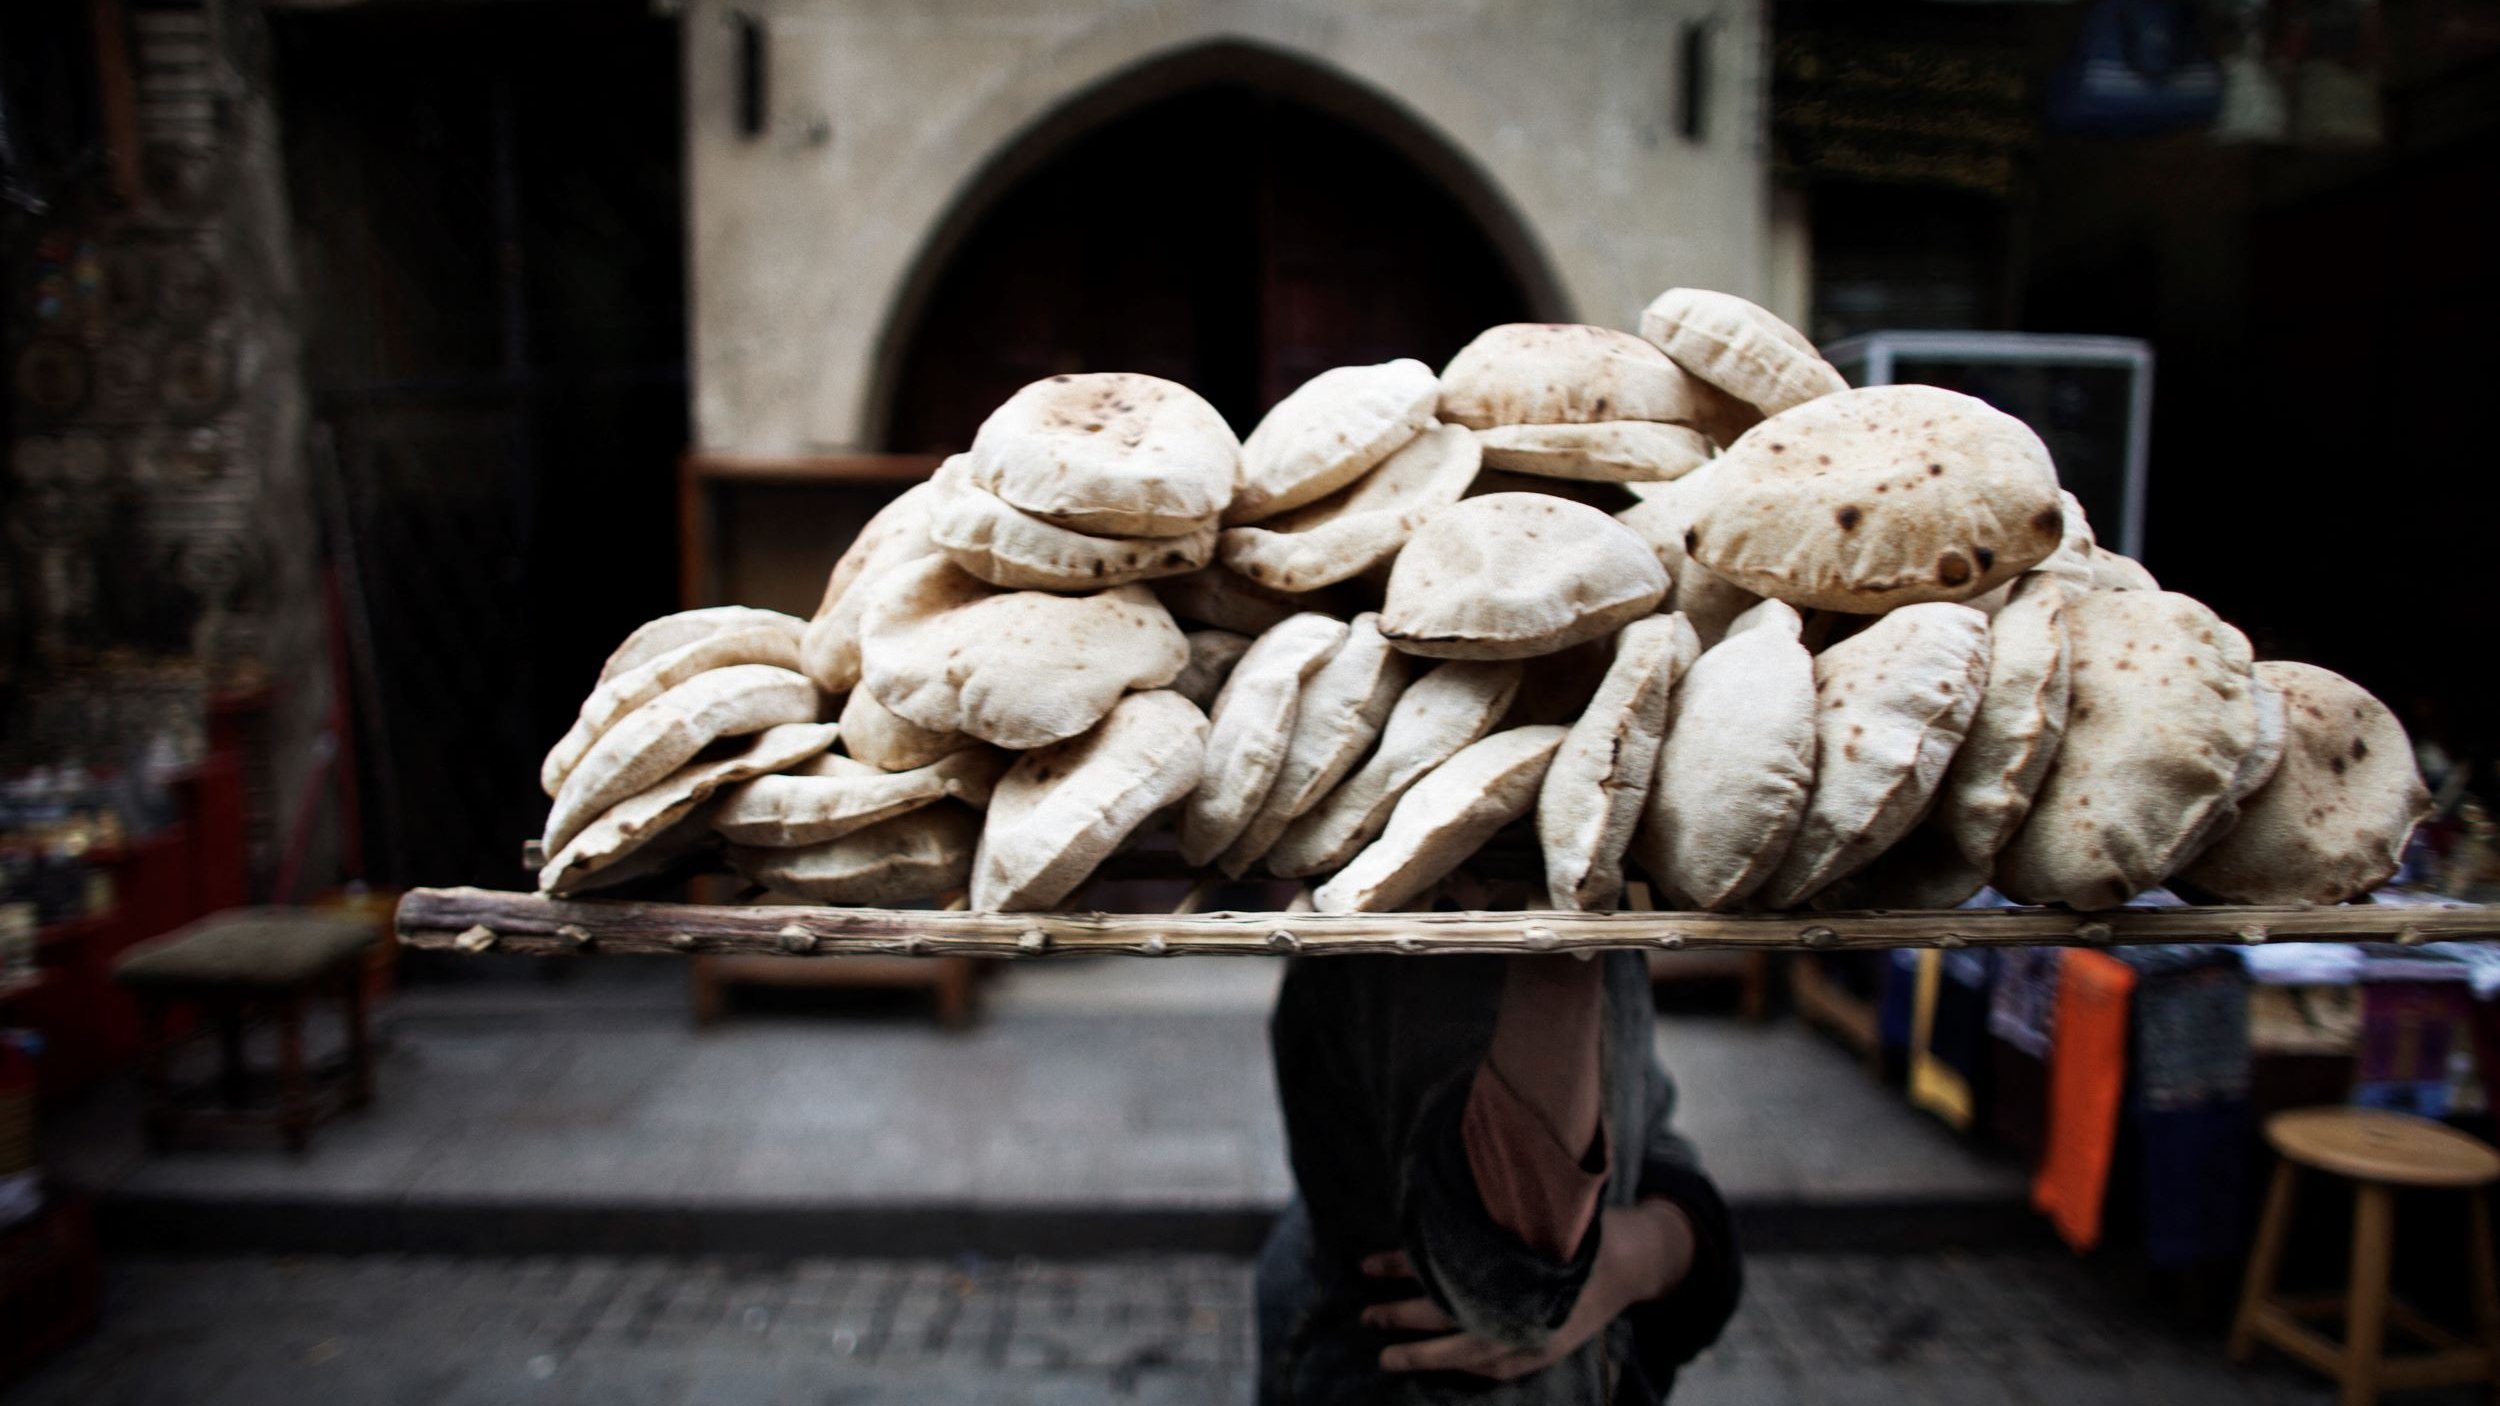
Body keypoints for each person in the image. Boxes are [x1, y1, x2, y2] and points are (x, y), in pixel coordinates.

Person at [1259, 948, 1741, 1403]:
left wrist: (1642, 1252)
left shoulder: (1603, 932)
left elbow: (1650, 1135)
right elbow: (1512, 1293)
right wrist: (1558, 951)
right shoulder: (1417, 949)